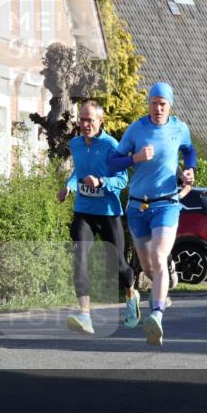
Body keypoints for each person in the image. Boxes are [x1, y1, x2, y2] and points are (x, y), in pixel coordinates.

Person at [109, 82, 196, 346]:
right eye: (154, 103)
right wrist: (134, 158)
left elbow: (189, 150)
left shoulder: (179, 128)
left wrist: (190, 169)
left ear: (170, 105)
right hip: (138, 207)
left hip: (166, 204)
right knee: (148, 268)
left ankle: (156, 315)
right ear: (148, 104)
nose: (158, 108)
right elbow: (112, 163)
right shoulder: (136, 129)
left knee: (158, 256)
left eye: (163, 104)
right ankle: (158, 280)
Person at [57, 100, 139, 335]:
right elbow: (78, 172)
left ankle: (131, 293)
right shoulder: (75, 144)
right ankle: (85, 314)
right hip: (84, 211)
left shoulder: (112, 146)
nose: (85, 125)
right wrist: (69, 186)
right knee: (80, 257)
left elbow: (122, 180)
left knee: (119, 265)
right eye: (82, 120)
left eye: (90, 120)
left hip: (108, 213)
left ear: (100, 121)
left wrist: (101, 182)